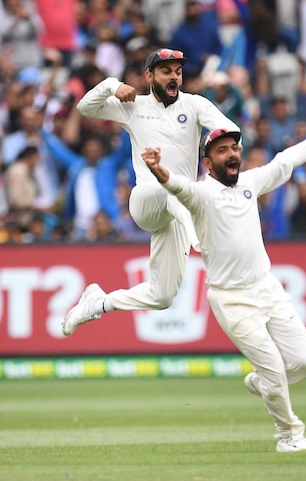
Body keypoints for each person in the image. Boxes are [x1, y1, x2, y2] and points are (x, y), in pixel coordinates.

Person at [140, 114, 306, 452]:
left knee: (304, 362)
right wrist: (158, 169)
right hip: (231, 299)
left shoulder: (250, 182)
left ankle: (261, 381)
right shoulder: (201, 194)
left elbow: (285, 160)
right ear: (208, 162)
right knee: (276, 369)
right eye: (222, 150)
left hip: (266, 287)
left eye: (235, 148)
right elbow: (177, 186)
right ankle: (290, 435)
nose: (232, 154)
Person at [62, 48, 239, 336]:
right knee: (174, 190)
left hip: (176, 212)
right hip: (146, 200)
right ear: (149, 76)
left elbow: (230, 131)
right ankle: (205, 243)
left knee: (162, 296)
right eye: (166, 71)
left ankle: (99, 303)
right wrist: (111, 85)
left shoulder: (194, 105)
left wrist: (216, 154)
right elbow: (85, 108)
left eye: (178, 72)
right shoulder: (135, 106)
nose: (174, 77)